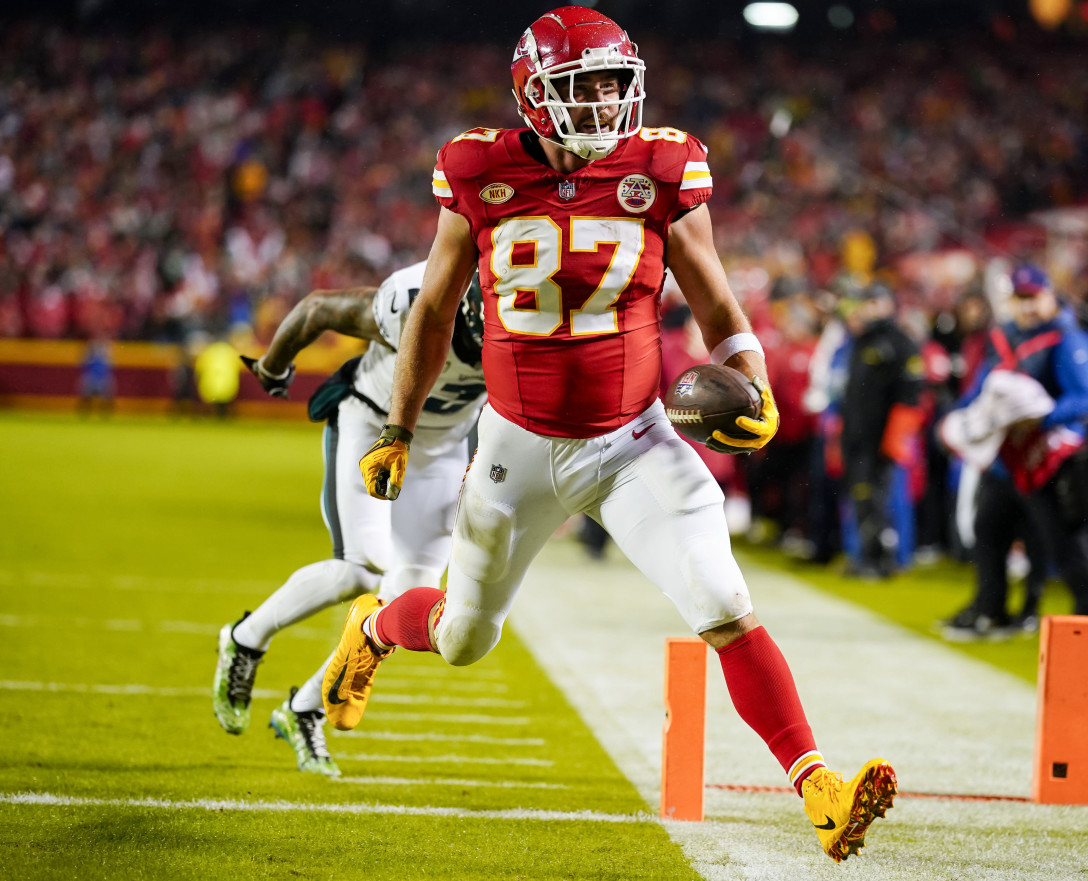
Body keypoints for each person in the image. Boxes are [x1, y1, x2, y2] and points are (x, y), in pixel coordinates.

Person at [328, 7, 896, 863]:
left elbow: (712, 299)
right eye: (580, 87)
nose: (601, 104)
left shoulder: (664, 166)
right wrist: (397, 426)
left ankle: (817, 785)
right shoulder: (477, 168)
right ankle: (372, 631)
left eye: (611, 84)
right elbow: (437, 310)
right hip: (515, 450)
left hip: (634, 441)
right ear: (532, 95)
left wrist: (759, 381)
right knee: (461, 638)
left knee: (723, 600)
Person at [211, 262, 486, 776]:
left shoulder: (538, 322)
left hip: (444, 445)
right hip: (375, 423)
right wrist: (273, 366)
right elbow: (317, 308)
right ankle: (245, 639)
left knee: (405, 602)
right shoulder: (412, 296)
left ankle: (304, 709)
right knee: (361, 569)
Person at [940, 263, 1088, 639]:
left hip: (1050, 457)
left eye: (1033, 298)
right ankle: (990, 609)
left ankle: (1087, 623)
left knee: (1063, 542)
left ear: (1049, 295)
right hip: (1005, 458)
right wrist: (958, 419)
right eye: (1020, 298)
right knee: (989, 531)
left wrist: (1041, 420)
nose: (1028, 307)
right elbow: (981, 389)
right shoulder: (1005, 337)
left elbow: (1087, 397)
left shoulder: (1067, 339)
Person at [838, 284, 924, 578]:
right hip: (857, 436)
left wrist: (897, 436)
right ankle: (866, 557)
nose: (868, 307)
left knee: (881, 499)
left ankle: (885, 560)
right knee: (863, 498)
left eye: (875, 300)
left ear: (889, 304)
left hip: (881, 438)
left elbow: (911, 394)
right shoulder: (861, 339)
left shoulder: (900, 342)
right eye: (866, 301)